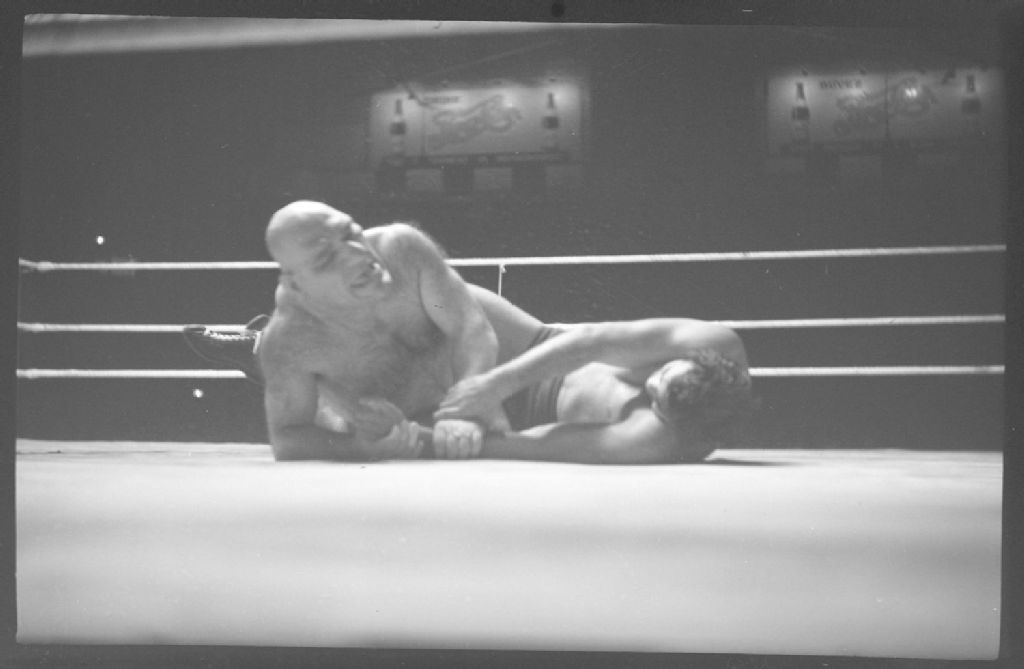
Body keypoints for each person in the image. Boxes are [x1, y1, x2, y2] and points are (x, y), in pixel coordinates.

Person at [185, 201, 755, 463]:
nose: (643, 386)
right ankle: (263, 346)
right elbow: (589, 343)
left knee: (369, 405)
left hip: (511, 412)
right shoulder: (716, 342)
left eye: (650, 401)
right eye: (656, 377)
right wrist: (489, 387)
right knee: (379, 334)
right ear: (701, 366)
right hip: (535, 349)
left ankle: (258, 353)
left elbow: (534, 447)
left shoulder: (656, 440)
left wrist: (425, 438)